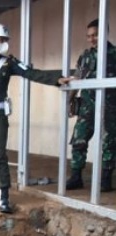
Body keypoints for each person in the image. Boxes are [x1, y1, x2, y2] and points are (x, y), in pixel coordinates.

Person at [0, 23, 67, 213]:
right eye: (1, 40)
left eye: (6, 40)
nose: (5, 43)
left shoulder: (8, 63)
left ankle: (4, 197)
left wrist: (58, 79)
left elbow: (31, 73)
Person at [64, 19, 116, 192]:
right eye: (89, 36)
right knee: (79, 140)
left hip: (110, 106)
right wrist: (70, 99)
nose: (92, 39)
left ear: (104, 33)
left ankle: (106, 179)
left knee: (109, 142)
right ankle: (76, 177)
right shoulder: (85, 56)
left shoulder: (114, 54)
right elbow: (78, 77)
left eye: (95, 35)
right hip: (86, 105)